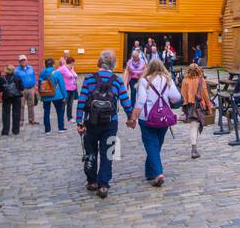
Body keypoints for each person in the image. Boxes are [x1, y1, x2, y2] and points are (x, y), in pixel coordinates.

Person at [77, 50, 132, 199]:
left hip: (90, 122)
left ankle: (92, 181)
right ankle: (103, 185)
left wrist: (79, 121)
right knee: (108, 153)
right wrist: (130, 118)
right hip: (110, 122)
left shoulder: (89, 78)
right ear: (113, 64)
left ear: (99, 62)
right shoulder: (117, 80)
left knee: (91, 152)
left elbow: (81, 101)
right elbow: (125, 101)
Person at [129, 58, 180, 186]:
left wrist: (133, 118)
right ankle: (150, 172)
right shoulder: (168, 79)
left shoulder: (144, 81)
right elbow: (176, 97)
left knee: (151, 145)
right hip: (163, 117)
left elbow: (140, 101)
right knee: (156, 145)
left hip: (147, 117)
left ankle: (158, 173)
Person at [180, 63, 210, 159]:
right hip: (198, 106)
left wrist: (184, 107)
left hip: (189, 105)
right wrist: (209, 107)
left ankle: (194, 147)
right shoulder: (201, 80)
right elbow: (205, 95)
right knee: (194, 126)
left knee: (193, 126)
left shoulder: (185, 80)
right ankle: (194, 149)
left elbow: (183, 95)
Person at [38, 57, 66, 132]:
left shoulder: (42, 72)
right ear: (53, 64)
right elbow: (62, 85)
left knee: (46, 112)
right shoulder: (57, 72)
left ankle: (47, 130)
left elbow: (39, 84)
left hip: (45, 94)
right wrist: (64, 96)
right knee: (59, 111)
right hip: (57, 95)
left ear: (45, 65)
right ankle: (61, 128)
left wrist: (40, 94)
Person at [0, 65, 23, 135]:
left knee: (5, 114)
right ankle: (16, 130)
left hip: (6, 97)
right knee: (16, 113)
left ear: (6, 70)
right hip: (16, 97)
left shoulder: (2, 78)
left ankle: (5, 131)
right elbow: (22, 88)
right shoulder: (17, 77)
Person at [15, 55, 37, 124]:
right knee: (21, 105)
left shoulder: (30, 68)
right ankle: (21, 121)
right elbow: (15, 80)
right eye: (21, 60)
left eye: (24, 60)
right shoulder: (16, 70)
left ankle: (31, 120)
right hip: (21, 90)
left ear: (26, 60)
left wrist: (35, 86)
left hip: (31, 89)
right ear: (19, 62)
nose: (23, 61)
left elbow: (33, 76)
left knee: (31, 104)